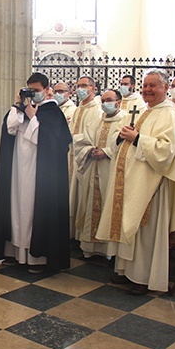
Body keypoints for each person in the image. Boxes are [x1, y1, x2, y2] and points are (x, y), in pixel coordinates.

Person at [96, 69, 175, 295]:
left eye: (153, 85)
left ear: (165, 88)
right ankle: (126, 270)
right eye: (146, 85)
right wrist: (122, 136)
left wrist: (137, 138)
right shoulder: (147, 111)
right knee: (131, 225)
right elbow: (129, 138)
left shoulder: (168, 114)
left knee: (145, 231)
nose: (148, 89)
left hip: (152, 185)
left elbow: (166, 150)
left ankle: (143, 277)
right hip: (134, 180)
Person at [0, 72, 72, 272]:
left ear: (46, 90)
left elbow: (54, 142)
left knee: (33, 210)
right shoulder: (20, 108)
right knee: (16, 207)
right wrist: (19, 106)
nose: (33, 94)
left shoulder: (52, 112)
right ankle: (15, 252)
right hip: (17, 170)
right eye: (30, 90)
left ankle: (37, 257)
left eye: (36, 91)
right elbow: (9, 128)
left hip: (40, 173)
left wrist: (33, 118)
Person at [75, 89, 125, 258]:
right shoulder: (96, 121)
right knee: (91, 204)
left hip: (112, 170)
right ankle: (89, 248)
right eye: (103, 100)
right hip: (94, 169)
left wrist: (107, 152)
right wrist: (90, 150)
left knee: (109, 205)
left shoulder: (125, 120)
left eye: (109, 100)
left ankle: (108, 251)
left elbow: (126, 146)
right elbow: (83, 141)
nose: (105, 103)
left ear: (118, 101)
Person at [69, 76, 102, 240]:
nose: (80, 89)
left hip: (87, 159)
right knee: (73, 195)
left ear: (93, 88)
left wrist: (75, 139)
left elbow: (94, 136)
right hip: (72, 157)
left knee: (84, 198)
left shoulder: (98, 109)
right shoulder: (78, 108)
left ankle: (81, 235)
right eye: (78, 86)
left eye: (84, 86)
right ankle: (71, 233)